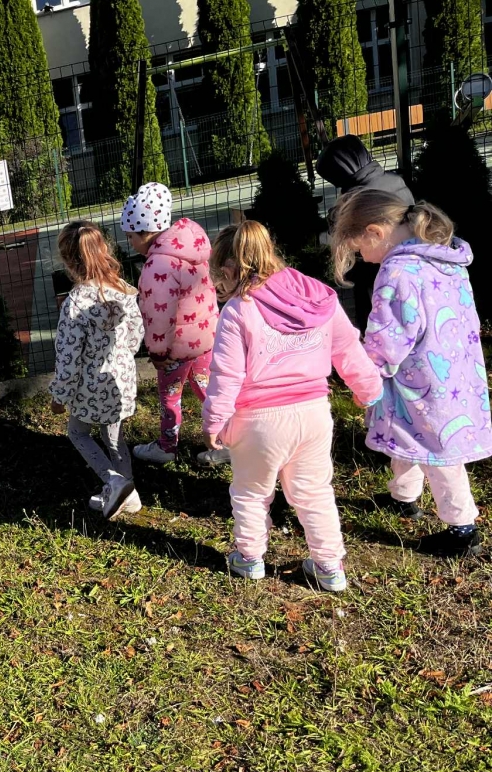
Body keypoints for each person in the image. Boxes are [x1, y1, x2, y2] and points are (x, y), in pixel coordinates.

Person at [203, 222, 384, 592]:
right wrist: (369, 390)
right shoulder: (318, 296)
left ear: (228, 271)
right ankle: (330, 567)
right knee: (315, 491)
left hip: (257, 420)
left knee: (252, 491)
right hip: (314, 413)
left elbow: (226, 373)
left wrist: (214, 421)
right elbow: (348, 347)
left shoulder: (238, 310)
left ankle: (250, 559)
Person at [330, 190, 492, 558]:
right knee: (406, 433)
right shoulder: (444, 259)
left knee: (439, 450)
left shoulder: (397, 271)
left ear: (374, 232)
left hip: (421, 380)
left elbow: (389, 335)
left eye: (358, 249)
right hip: (453, 369)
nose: (361, 258)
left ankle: (463, 529)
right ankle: (403, 496)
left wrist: (368, 373)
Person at [120, 182, 224, 466]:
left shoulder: (158, 266)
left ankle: (167, 446)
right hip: (205, 339)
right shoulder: (193, 251)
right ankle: (227, 440)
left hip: (174, 351)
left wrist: (157, 352)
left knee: (170, 397)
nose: (130, 243)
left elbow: (158, 316)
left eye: (130, 237)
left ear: (145, 232)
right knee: (210, 391)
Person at [49, 221, 144, 520]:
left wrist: (59, 395)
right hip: (120, 381)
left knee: (77, 432)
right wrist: (121, 359)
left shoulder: (75, 303)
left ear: (68, 260)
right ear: (104, 250)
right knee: (114, 437)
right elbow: (135, 337)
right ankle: (130, 496)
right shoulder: (123, 291)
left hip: (90, 387)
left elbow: (68, 358)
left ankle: (114, 482)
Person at [317, 136, 414, 332]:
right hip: (408, 251)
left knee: (369, 301)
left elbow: (337, 228)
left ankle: (368, 331)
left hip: (375, 261)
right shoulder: (395, 180)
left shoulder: (356, 198)